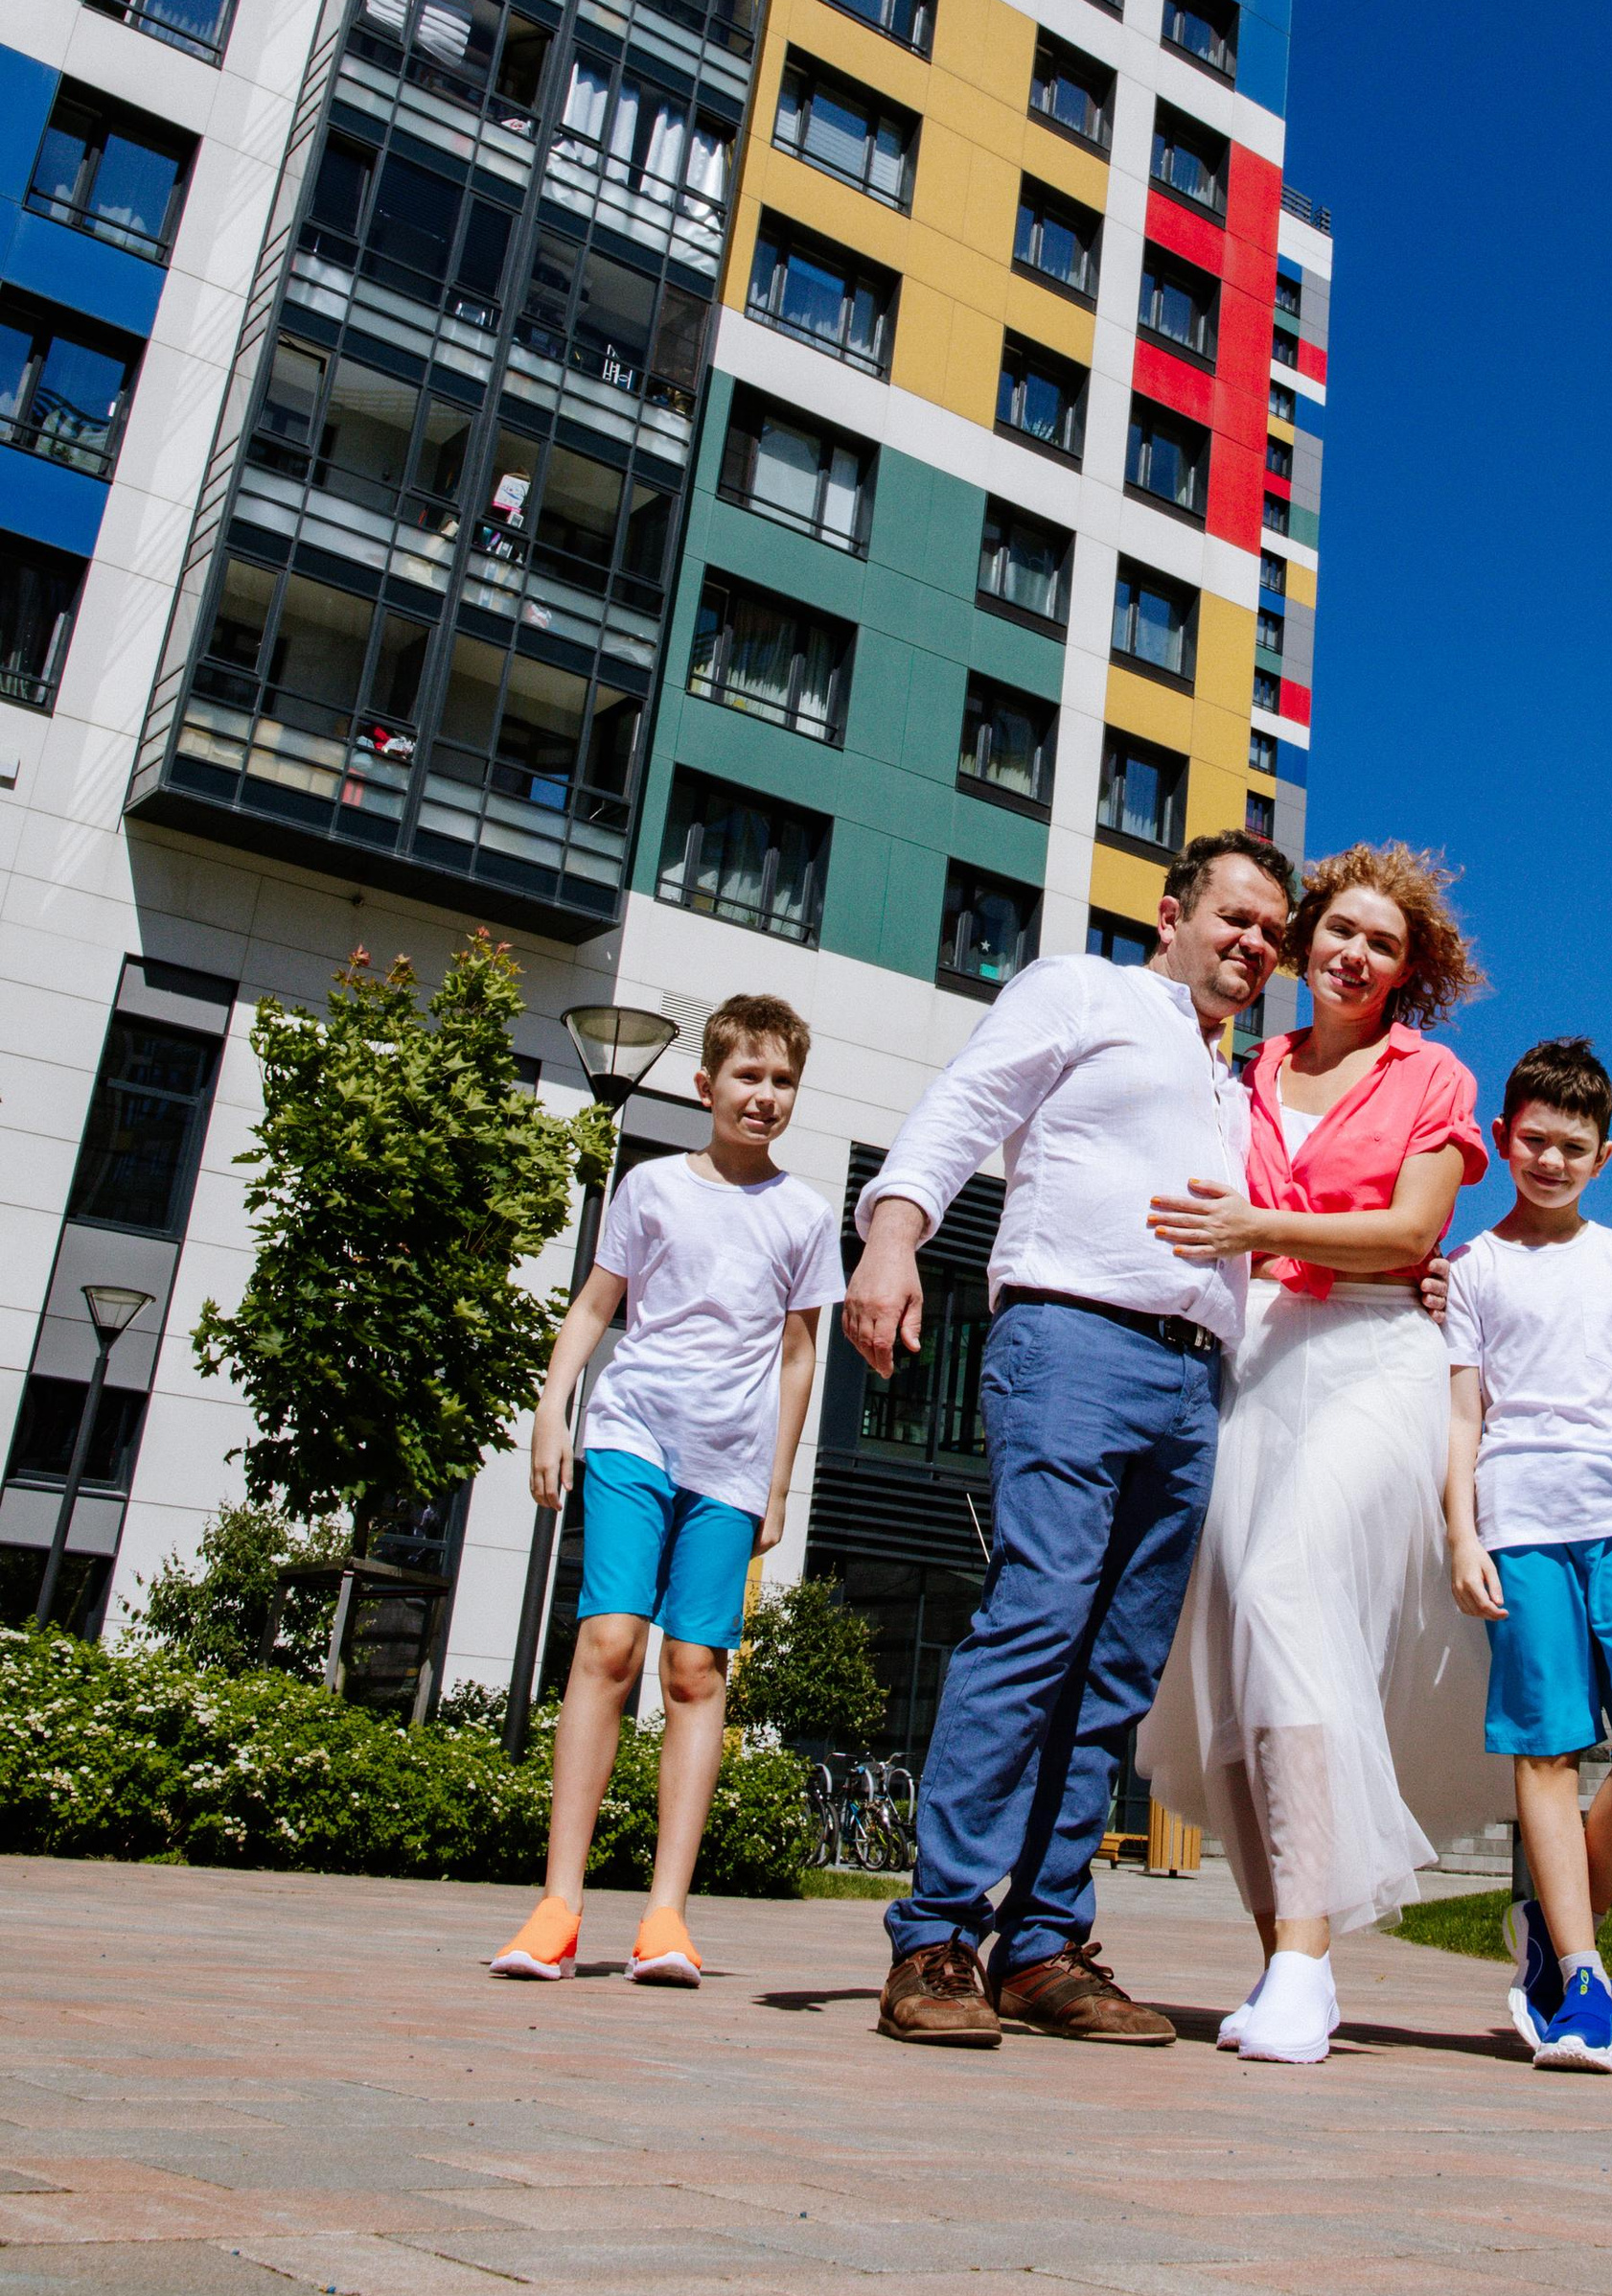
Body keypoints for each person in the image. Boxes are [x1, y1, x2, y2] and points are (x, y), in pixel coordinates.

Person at [844, 831, 1295, 2049]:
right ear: (1171, 914)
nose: (1253, 943)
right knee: (1038, 1615)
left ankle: (1043, 1944)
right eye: (1233, 917)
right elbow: (965, 1103)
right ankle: (936, 1934)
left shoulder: (1232, 1080)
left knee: (1116, 1666)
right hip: (1070, 1340)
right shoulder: (1082, 990)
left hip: (1191, 1382)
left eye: (1270, 933)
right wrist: (891, 1237)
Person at [1140, 843, 1504, 2064]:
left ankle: (1306, 1961)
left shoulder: (1432, 1075)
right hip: (1255, 1351)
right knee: (1236, 1634)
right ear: (1304, 942)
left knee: (1291, 1575)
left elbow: (1409, 1228)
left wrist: (1260, 1223)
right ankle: (1282, 1959)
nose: (1354, 954)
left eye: (1382, 944)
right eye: (1338, 931)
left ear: (1410, 970)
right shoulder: (1250, 1068)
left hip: (1376, 1353)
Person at [492, 995, 840, 1988]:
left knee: (695, 1670)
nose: (764, 1096)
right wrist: (554, 1411)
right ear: (706, 1085)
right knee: (609, 1643)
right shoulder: (649, 1189)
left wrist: (776, 1485)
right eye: (747, 1077)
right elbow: (594, 1307)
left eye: (781, 1082)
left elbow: (798, 1357)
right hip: (632, 1434)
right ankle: (558, 1904)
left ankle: (665, 1918)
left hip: (729, 1465)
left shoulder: (805, 1217)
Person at [1442, 1037, 1612, 2073]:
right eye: (1534, 1141)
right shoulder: (1476, 1269)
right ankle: (1585, 1982)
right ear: (1503, 1139)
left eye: (1573, 1146)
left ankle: (1550, 1936)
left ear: (1603, 1158)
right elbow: (1462, 1418)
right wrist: (1462, 1531)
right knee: (1547, 1749)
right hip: (1519, 1524)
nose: (1550, 1160)